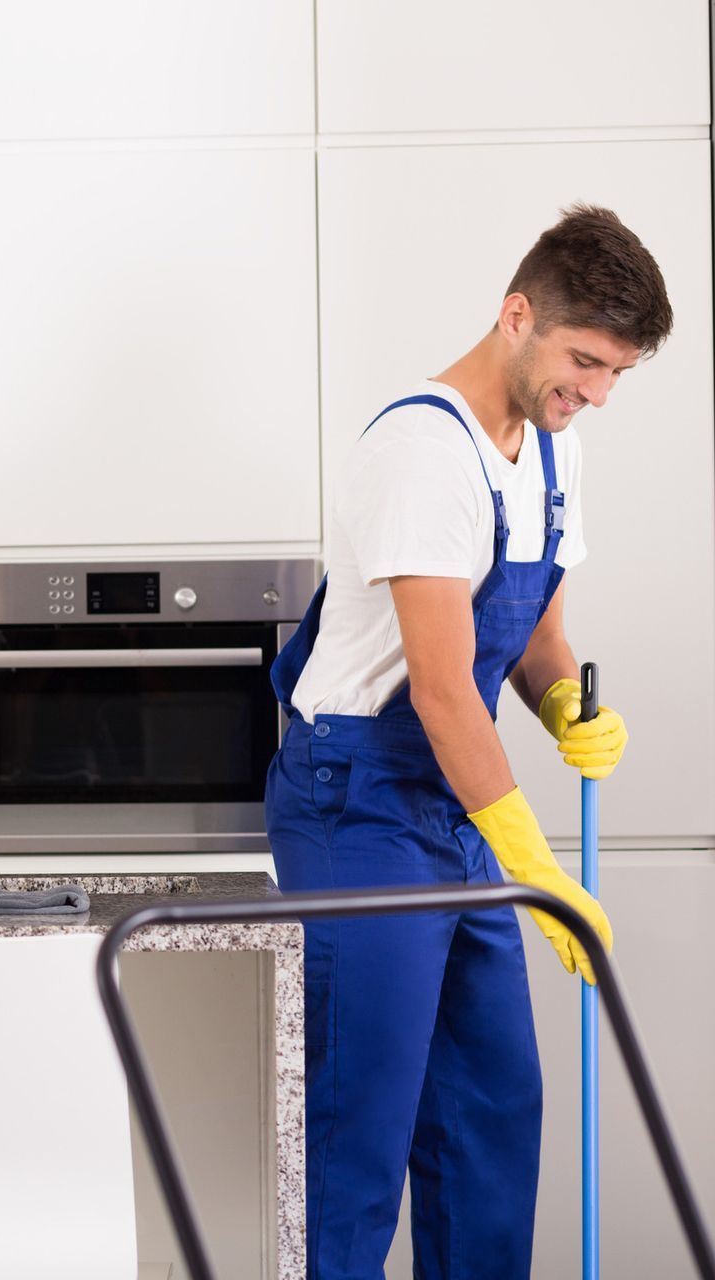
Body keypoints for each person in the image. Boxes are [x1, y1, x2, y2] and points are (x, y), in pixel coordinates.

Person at [266, 204, 670, 1278]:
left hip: (452, 803)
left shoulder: (553, 448)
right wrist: (538, 871)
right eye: (585, 360)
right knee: (363, 1125)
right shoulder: (420, 449)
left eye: (614, 374)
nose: (592, 393)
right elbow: (444, 692)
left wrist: (565, 706)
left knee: (490, 1112)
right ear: (516, 314)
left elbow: (534, 636)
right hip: (357, 796)